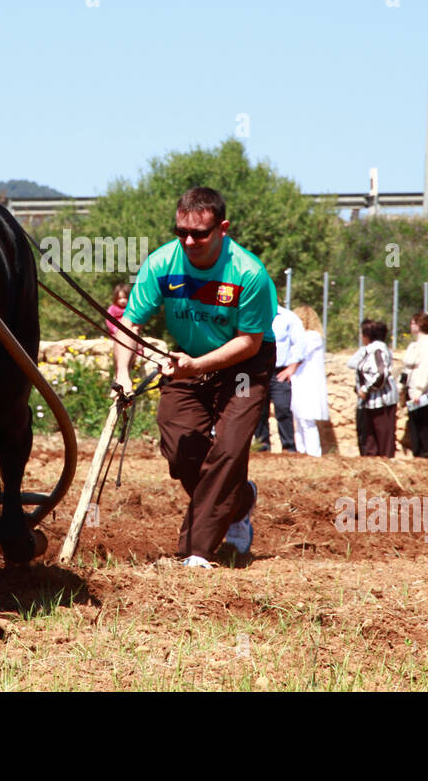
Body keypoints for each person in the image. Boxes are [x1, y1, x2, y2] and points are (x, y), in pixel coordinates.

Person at [113, 187, 277, 567]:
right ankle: (239, 502)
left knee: (228, 449)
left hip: (244, 364)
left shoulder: (249, 273)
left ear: (222, 228)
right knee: (178, 444)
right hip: (187, 358)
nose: (189, 241)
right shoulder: (161, 264)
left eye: (199, 234)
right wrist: (121, 372)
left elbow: (250, 343)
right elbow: (130, 323)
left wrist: (197, 366)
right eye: (181, 231)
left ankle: (196, 552)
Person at [255, 305, 305, 452]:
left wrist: (292, 367)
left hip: (279, 373)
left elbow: (300, 343)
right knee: (258, 411)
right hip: (258, 371)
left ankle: (289, 448)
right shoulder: (254, 312)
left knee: (283, 409)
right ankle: (262, 448)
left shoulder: (288, 317)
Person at [355, 319, 398, 457]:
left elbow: (381, 373)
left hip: (381, 401)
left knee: (383, 437)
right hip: (371, 402)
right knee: (371, 438)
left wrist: (365, 389)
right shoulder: (371, 350)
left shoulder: (377, 350)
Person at [289, 305, 328, 456]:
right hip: (299, 382)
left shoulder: (312, 336)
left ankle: (313, 453)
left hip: (309, 383)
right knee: (299, 420)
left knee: (307, 421)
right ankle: (302, 451)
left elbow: (298, 353)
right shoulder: (305, 337)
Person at [402, 312, 428, 458]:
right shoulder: (414, 345)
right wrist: (403, 386)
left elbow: (426, 367)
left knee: (423, 420)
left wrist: (419, 389)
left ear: (419, 325)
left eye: (413, 323)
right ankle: (417, 453)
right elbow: (407, 368)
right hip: (411, 389)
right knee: (413, 421)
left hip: (424, 391)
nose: (411, 326)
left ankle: (426, 453)